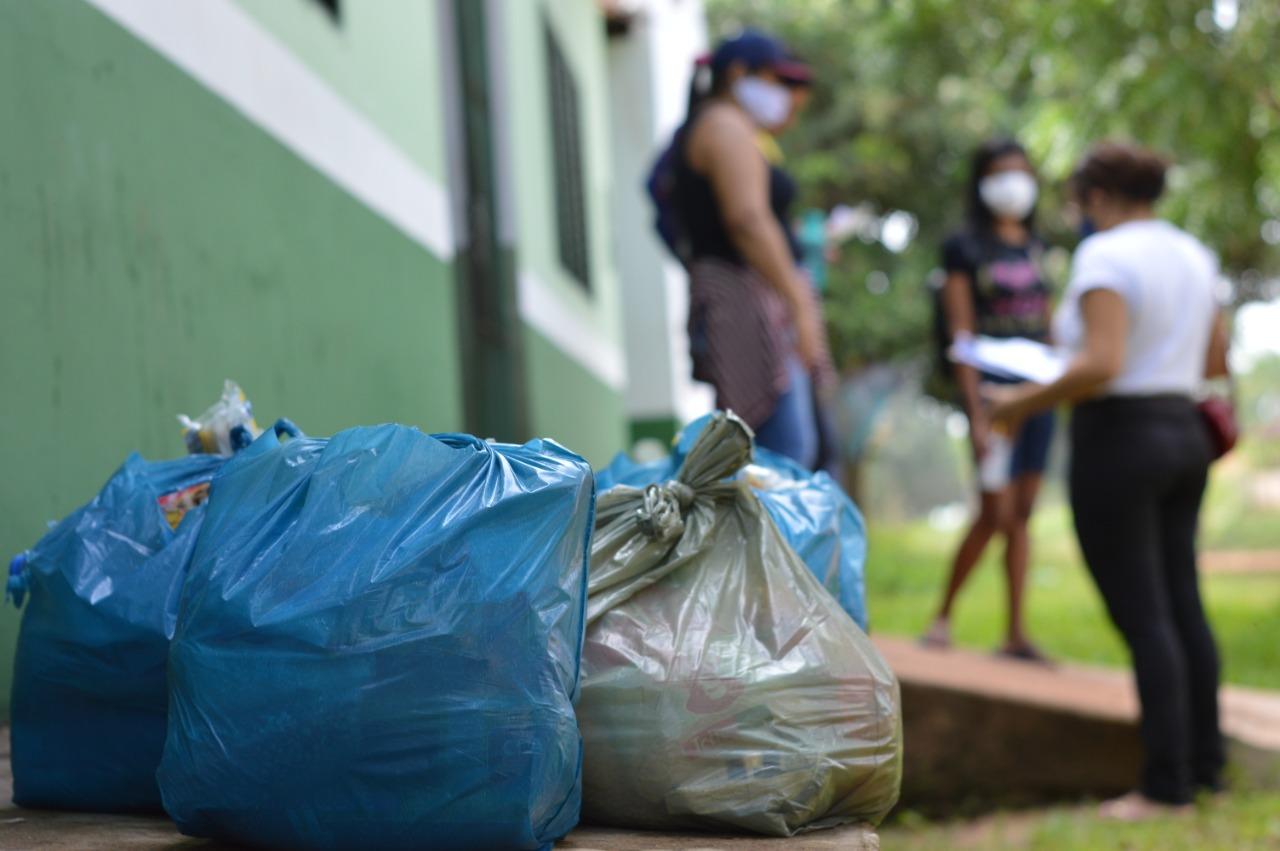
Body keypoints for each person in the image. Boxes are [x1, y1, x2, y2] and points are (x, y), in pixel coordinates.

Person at [988, 141, 1230, 819]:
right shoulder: (1192, 252)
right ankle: (1205, 768)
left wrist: (1018, 403)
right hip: (1184, 429)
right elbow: (1214, 353)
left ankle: (1165, 785)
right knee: (1182, 599)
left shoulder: (1105, 255)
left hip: (1121, 437)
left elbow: (1101, 361)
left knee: (1144, 612)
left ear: (1095, 197)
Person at [672, 30, 835, 470]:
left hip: (756, 299)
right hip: (747, 305)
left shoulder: (729, 126)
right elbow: (747, 219)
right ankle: (767, 542)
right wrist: (797, 302)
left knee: (785, 452)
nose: (782, 95)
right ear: (738, 74)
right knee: (780, 458)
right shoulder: (724, 125)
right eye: (774, 80)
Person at [922, 139, 1055, 662]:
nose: (1013, 183)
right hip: (993, 397)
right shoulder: (963, 248)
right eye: (1001, 173)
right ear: (981, 182)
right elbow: (962, 332)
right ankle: (943, 615)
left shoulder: (1037, 245)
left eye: (1021, 172)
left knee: (1022, 514)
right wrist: (976, 410)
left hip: (1039, 394)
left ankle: (1016, 633)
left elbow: (1047, 323)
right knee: (993, 512)